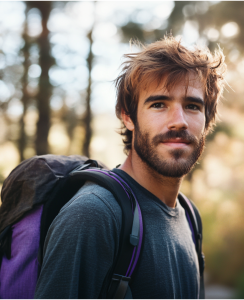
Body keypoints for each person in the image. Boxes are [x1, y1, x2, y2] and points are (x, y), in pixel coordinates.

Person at [35, 35, 226, 299]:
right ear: (128, 116)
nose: (178, 121)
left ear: (207, 121)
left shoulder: (190, 216)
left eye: (192, 106)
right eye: (159, 104)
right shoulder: (94, 215)